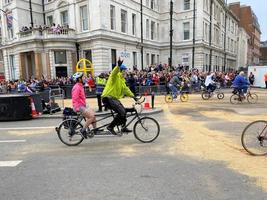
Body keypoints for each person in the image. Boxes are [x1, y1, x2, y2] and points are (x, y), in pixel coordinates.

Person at [101, 59, 135, 135]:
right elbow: (113, 73)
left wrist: (134, 97)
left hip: (113, 99)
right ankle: (110, 127)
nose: (126, 72)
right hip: (107, 98)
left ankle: (123, 127)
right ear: (121, 71)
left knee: (123, 111)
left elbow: (126, 90)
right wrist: (118, 66)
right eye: (125, 71)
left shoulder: (122, 80)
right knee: (122, 112)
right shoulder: (115, 77)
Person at [72, 72, 96, 138]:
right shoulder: (77, 87)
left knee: (94, 114)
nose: (84, 78)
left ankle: (95, 130)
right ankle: (83, 130)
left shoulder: (80, 86)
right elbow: (75, 99)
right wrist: (79, 108)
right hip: (79, 107)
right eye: (83, 77)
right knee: (91, 116)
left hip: (82, 106)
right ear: (79, 79)